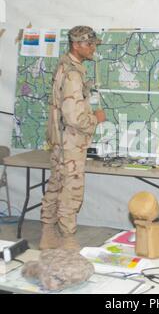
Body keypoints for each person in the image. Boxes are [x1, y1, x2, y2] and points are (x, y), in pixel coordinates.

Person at [39, 26, 106, 251]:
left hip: (60, 139)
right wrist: (95, 119)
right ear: (76, 45)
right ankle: (67, 239)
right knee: (72, 189)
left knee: (56, 184)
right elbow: (74, 116)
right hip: (71, 141)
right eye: (89, 44)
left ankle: (48, 234)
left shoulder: (64, 65)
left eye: (94, 43)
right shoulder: (73, 74)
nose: (93, 48)